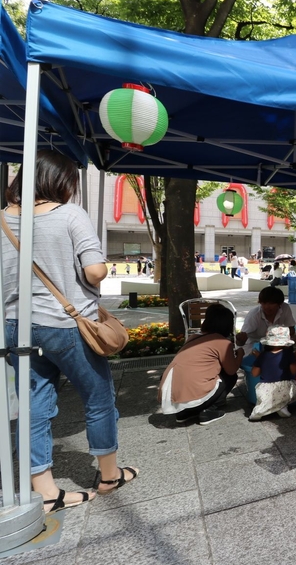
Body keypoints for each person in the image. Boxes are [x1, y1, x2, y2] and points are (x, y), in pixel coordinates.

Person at [1, 150, 139, 512]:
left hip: (16, 325)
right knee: (98, 396)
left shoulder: (1, 220)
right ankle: (109, 476)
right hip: (64, 324)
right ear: (60, 181)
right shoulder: (69, 215)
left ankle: (45, 491)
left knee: (33, 405)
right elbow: (95, 271)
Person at [159, 303, 244, 425]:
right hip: (192, 394)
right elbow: (231, 369)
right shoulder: (222, 342)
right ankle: (208, 410)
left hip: (171, 396)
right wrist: (240, 352)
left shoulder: (194, 337)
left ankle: (185, 412)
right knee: (230, 377)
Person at [247, 326, 296, 420]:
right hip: (284, 387)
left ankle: (261, 409)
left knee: (265, 398)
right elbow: (294, 371)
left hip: (264, 389)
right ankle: (281, 406)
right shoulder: (288, 354)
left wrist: (260, 361)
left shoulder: (263, 355)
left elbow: (254, 373)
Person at [236, 286, 296, 355]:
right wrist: (240, 339)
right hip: (254, 348)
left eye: (271, 303)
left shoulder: (285, 308)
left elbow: (291, 329)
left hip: (277, 345)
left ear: (280, 303)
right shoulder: (254, 315)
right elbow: (240, 343)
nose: (267, 307)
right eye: (264, 303)